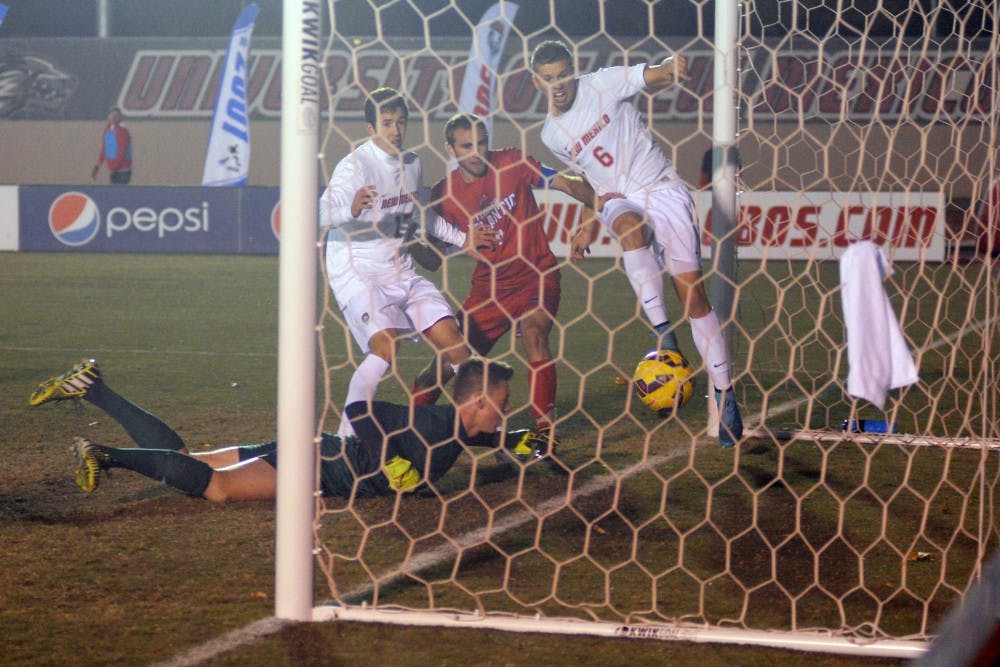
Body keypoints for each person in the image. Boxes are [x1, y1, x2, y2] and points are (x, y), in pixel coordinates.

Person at [530, 40, 744, 447]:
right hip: (618, 199)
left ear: (573, 70)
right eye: (548, 78)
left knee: (694, 298)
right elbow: (594, 179)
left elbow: (650, 74)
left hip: (661, 188)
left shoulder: (603, 84)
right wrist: (591, 219)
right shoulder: (551, 134)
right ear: (537, 80)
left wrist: (669, 67)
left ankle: (724, 390)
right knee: (628, 227)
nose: (557, 85)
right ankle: (664, 333)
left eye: (562, 75)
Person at [28, 358, 552, 501]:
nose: (504, 413)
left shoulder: (458, 428)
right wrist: (390, 462)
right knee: (218, 489)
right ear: (477, 401)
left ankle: (93, 387)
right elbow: (360, 413)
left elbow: (479, 438)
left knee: (194, 457)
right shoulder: (435, 424)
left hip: (317, 453)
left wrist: (520, 440)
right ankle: (105, 455)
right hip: (318, 469)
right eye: (501, 406)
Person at [411, 113, 597, 440]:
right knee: (446, 363)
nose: (477, 152)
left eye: (481, 143)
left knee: (535, 333)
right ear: (450, 149)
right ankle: (412, 426)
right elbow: (432, 261)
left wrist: (590, 219)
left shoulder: (512, 161)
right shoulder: (445, 195)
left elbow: (568, 184)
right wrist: (407, 240)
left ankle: (544, 432)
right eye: (467, 146)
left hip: (537, 274)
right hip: (490, 290)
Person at [318, 87, 475, 438]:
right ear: (371, 128)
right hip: (356, 268)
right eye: (387, 123)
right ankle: (345, 440)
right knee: (387, 346)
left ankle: (479, 425)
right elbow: (321, 211)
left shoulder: (412, 163)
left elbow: (421, 218)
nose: (396, 131)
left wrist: (464, 240)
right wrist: (352, 208)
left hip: (399, 268)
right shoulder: (355, 166)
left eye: (401, 122)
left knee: (457, 346)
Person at [91, 107, 132, 184]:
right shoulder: (107, 131)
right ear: (108, 117)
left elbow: (121, 151)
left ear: (120, 118)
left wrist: (114, 168)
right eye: (112, 115)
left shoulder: (123, 131)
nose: (113, 117)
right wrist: (97, 167)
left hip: (122, 172)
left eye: (116, 115)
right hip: (114, 171)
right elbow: (104, 150)